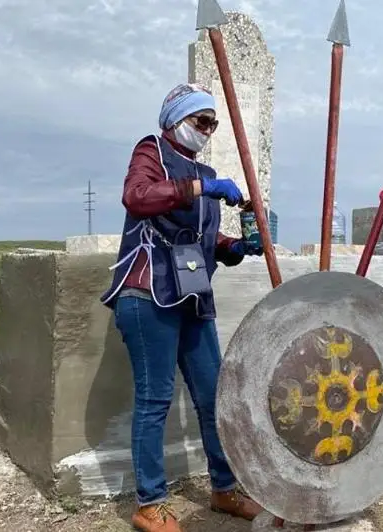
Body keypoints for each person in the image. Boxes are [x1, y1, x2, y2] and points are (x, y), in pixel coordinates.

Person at [101, 83, 264, 532]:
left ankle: (224, 488)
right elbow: (138, 197)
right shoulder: (150, 150)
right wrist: (201, 187)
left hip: (192, 296)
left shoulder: (202, 170)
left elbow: (203, 242)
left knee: (215, 398)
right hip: (148, 291)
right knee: (154, 400)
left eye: (213, 123)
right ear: (175, 119)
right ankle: (150, 502)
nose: (208, 130)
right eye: (201, 121)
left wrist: (238, 245)